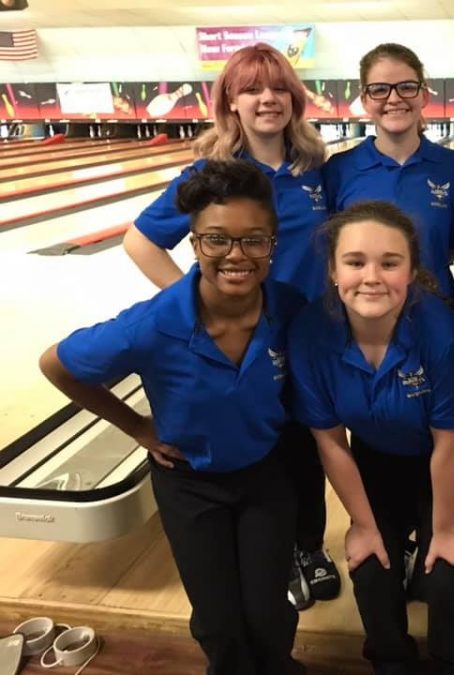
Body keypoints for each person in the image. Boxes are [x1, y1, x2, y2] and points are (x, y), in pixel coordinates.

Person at [39, 161, 307, 675]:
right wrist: (138, 428)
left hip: (265, 477)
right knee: (218, 618)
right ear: (193, 244)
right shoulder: (153, 324)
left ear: (273, 243)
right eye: (216, 240)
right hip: (190, 488)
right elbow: (57, 363)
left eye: (254, 240)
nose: (236, 255)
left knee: (270, 610)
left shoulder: (289, 307)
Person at [121, 42, 339, 610]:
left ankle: (309, 547)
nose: (267, 99)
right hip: (242, 342)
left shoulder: (316, 171)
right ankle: (281, 550)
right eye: (251, 89)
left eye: (278, 88)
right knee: (266, 454)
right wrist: (194, 303)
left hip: (309, 338)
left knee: (309, 445)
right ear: (230, 103)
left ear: (295, 99)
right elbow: (139, 241)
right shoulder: (211, 176)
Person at [288, 201, 454, 675]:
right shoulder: (310, 333)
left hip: (449, 459)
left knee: (444, 574)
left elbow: (450, 444)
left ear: (412, 271)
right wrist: (362, 524)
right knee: (372, 566)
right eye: (355, 262)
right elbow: (331, 441)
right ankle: (391, 661)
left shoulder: (441, 332)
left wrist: (443, 530)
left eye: (390, 263)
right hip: (375, 460)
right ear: (334, 270)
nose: (371, 276)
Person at [323, 42, 454, 299]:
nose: (394, 98)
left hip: (437, 314)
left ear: (424, 95)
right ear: (365, 100)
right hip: (364, 314)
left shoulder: (453, 167)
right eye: (380, 89)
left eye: (406, 87)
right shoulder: (338, 170)